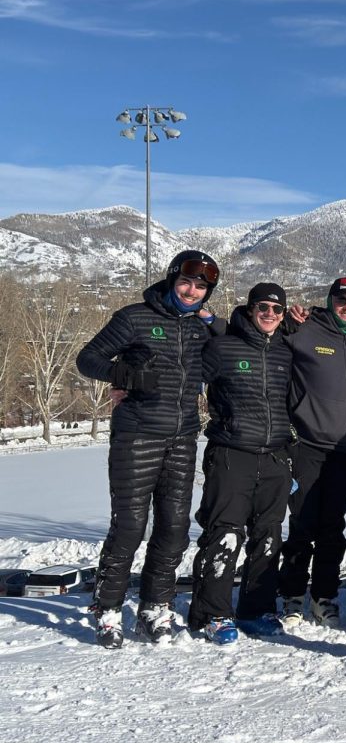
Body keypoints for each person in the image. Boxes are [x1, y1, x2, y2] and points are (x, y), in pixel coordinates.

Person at [76, 249, 222, 648]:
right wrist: (122, 374)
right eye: (187, 282)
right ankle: (107, 609)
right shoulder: (134, 317)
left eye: (201, 287)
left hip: (183, 437)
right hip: (137, 435)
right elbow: (87, 359)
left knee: (174, 528)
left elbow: (225, 341)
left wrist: (212, 320)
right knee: (129, 527)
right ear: (172, 279)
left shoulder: (198, 328)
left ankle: (154, 606)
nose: (192, 292)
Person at [188, 283, 293, 644]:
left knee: (268, 537)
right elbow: (185, 380)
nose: (270, 314)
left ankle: (255, 609)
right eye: (263, 307)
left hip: (276, 455)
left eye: (277, 310)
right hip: (232, 453)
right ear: (249, 309)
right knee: (225, 534)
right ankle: (212, 613)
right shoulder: (222, 347)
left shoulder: (284, 351)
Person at [277, 277, 346, 630]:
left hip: (345, 451)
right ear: (330, 300)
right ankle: (291, 595)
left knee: (333, 527)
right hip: (307, 445)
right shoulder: (305, 331)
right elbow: (261, 330)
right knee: (301, 523)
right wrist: (288, 319)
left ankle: (324, 597)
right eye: (341, 300)